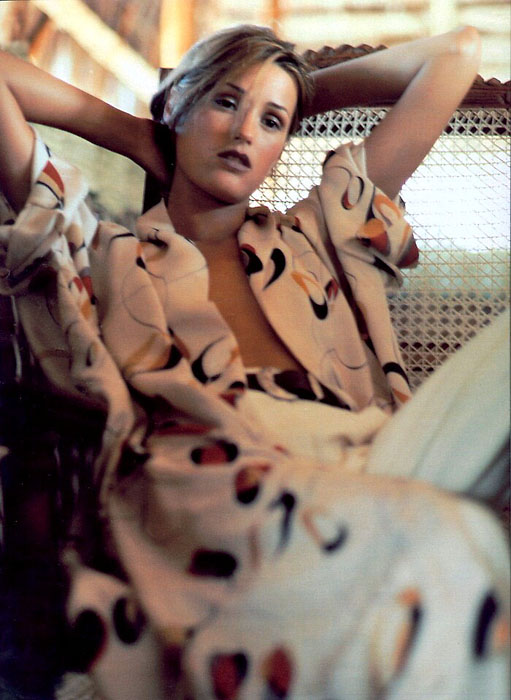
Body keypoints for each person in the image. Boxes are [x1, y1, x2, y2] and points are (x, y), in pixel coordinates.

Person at [0, 23, 509, 699]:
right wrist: (136, 133)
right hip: (221, 466)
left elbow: (456, 52)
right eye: (224, 102)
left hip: (378, 446)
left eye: (271, 121)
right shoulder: (106, 253)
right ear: (177, 108)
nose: (244, 132)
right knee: (457, 543)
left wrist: (296, 93)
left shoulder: (320, 231)